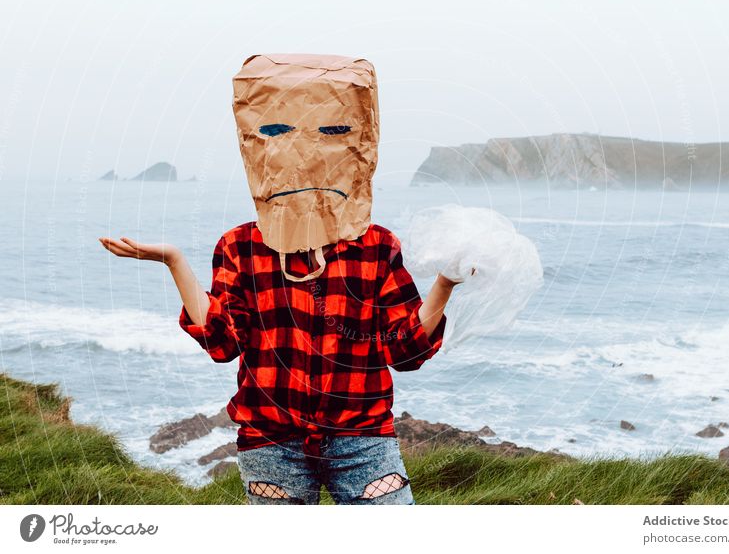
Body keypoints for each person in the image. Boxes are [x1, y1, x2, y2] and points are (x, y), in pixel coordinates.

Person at [99, 54, 462, 505]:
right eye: (275, 131)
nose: (305, 152)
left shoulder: (375, 246)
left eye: (332, 131)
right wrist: (175, 262)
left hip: (363, 439)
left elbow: (404, 351)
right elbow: (222, 344)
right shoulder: (241, 247)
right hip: (272, 443)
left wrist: (445, 284)